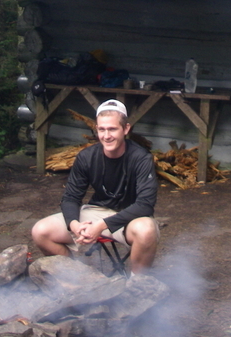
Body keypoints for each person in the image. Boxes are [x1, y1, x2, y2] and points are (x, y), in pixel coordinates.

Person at [31, 99, 159, 273]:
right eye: (101, 129)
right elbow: (70, 197)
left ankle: (137, 287)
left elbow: (145, 205)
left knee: (147, 231)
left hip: (129, 218)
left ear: (126, 129)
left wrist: (100, 227)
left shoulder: (141, 158)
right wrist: (74, 225)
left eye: (112, 129)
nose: (107, 136)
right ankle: (77, 278)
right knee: (41, 231)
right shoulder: (87, 157)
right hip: (95, 211)